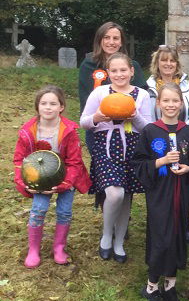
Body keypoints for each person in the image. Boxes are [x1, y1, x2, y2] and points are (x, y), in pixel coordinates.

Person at [132, 83, 189, 301]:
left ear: (181, 104)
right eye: (166, 101)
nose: (171, 105)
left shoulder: (188, 131)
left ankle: (170, 286)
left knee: (178, 235)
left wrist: (188, 167)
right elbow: (138, 164)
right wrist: (160, 162)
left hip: (181, 193)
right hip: (160, 194)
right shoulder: (150, 131)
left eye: (175, 101)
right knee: (161, 237)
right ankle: (151, 287)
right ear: (158, 103)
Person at [80, 52, 152, 263]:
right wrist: (97, 118)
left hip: (132, 147)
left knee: (126, 194)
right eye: (114, 71)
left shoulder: (142, 95)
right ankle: (106, 235)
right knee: (114, 194)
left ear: (132, 71)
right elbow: (83, 121)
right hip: (106, 147)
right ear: (108, 73)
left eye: (123, 70)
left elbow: (147, 128)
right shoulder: (100, 92)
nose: (119, 74)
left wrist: (135, 116)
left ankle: (119, 242)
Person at [14, 85, 92, 268]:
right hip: (39, 178)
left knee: (64, 212)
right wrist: (23, 182)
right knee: (38, 210)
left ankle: (59, 247)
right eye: (43, 103)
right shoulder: (28, 132)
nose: (48, 107)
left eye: (53, 103)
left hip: (66, 177)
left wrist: (65, 183)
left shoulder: (69, 130)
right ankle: (33, 249)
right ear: (37, 106)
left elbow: (74, 161)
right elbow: (19, 160)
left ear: (61, 107)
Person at [146, 44, 189, 247]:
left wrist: (187, 134)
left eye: (172, 60)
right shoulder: (149, 87)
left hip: (184, 139)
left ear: (177, 63)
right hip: (158, 143)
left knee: (184, 187)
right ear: (157, 63)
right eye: (164, 60)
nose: (168, 64)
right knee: (161, 186)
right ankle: (160, 227)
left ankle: (184, 228)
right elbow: (146, 116)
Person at [78, 22, 147, 150]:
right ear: (100, 40)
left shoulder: (133, 66)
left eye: (115, 38)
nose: (111, 42)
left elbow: (142, 101)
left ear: (121, 42)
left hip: (130, 130)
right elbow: (85, 99)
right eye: (106, 37)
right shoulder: (88, 65)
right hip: (99, 128)